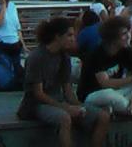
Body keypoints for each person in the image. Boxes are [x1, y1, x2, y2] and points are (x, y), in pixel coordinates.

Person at [18, 17, 110, 147]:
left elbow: (68, 90)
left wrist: (79, 106)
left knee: (103, 116)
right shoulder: (36, 57)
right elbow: (38, 94)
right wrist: (66, 108)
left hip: (58, 101)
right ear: (57, 36)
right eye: (69, 35)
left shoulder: (64, 57)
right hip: (36, 105)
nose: (73, 39)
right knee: (64, 118)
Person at [78, 17, 132, 115]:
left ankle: (124, 108)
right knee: (109, 95)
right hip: (94, 95)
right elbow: (105, 83)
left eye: (128, 32)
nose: (128, 36)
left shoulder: (126, 51)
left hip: (117, 93)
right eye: (124, 34)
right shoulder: (97, 54)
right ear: (112, 37)